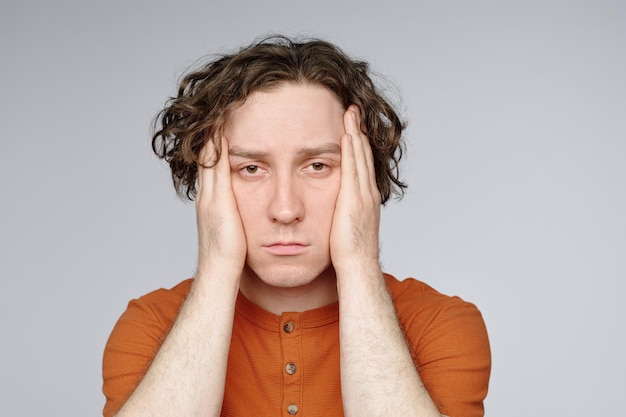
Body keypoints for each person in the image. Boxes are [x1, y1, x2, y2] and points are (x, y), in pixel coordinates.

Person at [102, 35, 491, 417]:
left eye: (317, 166)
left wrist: (358, 260)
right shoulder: (152, 326)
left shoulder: (439, 323)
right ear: (207, 180)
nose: (285, 210)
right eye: (251, 169)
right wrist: (217, 266)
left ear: (364, 177)